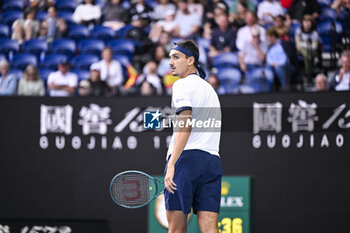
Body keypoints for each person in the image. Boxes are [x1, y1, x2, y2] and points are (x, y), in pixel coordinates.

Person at [165, 40, 222, 233]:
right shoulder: (210, 90)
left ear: (190, 60)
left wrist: (172, 163)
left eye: (176, 57)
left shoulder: (181, 85)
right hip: (212, 162)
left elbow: (185, 124)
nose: (171, 62)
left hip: (185, 160)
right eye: (170, 57)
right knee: (210, 229)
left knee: (176, 230)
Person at [295, 14, 322, 79]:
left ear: (312, 23)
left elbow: (314, 47)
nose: (306, 23)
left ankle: (308, 74)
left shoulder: (315, 33)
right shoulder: (298, 31)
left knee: (308, 53)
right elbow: (298, 45)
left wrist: (303, 44)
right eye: (305, 21)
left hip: (312, 51)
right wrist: (306, 45)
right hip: (300, 50)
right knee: (307, 54)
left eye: (308, 21)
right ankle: (308, 74)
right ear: (302, 23)